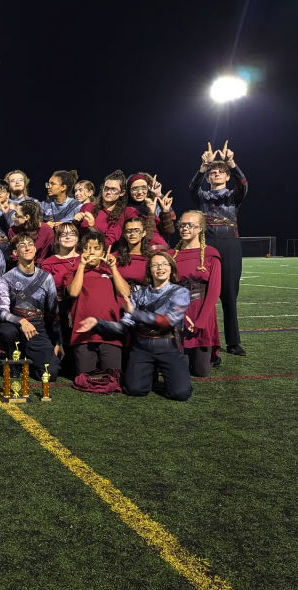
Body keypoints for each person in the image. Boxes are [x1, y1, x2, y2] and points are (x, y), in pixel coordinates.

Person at [76, 253, 192, 401]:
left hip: (168, 347)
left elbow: (167, 321)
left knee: (180, 394)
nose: (160, 268)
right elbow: (124, 326)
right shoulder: (138, 295)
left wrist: (134, 312)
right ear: (149, 270)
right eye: (155, 265)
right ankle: (150, 373)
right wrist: (98, 323)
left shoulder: (180, 292)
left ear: (171, 268)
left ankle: (172, 373)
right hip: (142, 347)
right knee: (134, 389)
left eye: (164, 264)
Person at [189, 142, 248, 356]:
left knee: (229, 294)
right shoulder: (202, 197)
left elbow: (243, 184)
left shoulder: (233, 196)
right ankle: (205, 339)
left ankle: (233, 342)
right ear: (208, 176)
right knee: (203, 295)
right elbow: (192, 188)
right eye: (212, 171)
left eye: (220, 171)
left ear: (227, 177)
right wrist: (202, 167)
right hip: (206, 246)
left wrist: (232, 163)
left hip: (230, 245)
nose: (216, 173)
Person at [0, 234, 64, 380]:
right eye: (22, 245)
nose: (28, 247)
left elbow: (53, 313)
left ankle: (30, 361)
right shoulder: (6, 278)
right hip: (15, 325)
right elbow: (2, 312)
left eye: (31, 244)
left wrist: (58, 342)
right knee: (7, 332)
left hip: (37, 327)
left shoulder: (47, 278)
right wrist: (21, 321)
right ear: (15, 253)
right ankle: (13, 364)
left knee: (50, 374)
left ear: (35, 249)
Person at [65, 231, 130, 375]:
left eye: (96, 248)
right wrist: (81, 266)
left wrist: (113, 268)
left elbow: (125, 293)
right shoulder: (74, 271)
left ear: (103, 251)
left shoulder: (110, 270)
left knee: (113, 378)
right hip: (83, 334)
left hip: (110, 333)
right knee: (85, 378)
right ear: (81, 251)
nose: (91, 252)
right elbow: (74, 292)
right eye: (87, 248)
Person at [169, 210, 222, 376]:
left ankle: (209, 357)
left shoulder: (211, 254)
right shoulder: (171, 255)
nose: (185, 228)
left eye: (190, 225)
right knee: (181, 369)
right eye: (182, 225)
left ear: (200, 228)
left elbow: (214, 291)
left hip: (201, 313)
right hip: (179, 314)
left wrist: (200, 322)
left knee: (201, 372)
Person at [40, 223, 81, 375]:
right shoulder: (48, 263)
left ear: (77, 238)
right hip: (58, 309)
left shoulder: (85, 259)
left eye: (72, 233)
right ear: (57, 239)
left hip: (82, 307)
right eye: (63, 234)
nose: (68, 236)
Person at [126, 172, 175, 251]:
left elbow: (169, 231)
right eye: (135, 189)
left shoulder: (151, 205)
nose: (140, 192)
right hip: (147, 253)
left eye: (143, 188)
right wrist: (151, 214)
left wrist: (165, 210)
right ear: (129, 190)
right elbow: (148, 236)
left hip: (164, 251)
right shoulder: (128, 210)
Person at [6, 199, 54, 265]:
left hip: (42, 267)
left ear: (26, 217)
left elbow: (46, 256)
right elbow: (15, 255)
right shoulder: (12, 230)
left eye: (17, 215)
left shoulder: (47, 231)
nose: (13, 217)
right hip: (20, 266)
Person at [113, 217, 151, 292]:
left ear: (144, 233)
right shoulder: (114, 257)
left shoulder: (152, 258)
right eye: (128, 231)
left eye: (136, 231)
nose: (132, 234)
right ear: (124, 234)